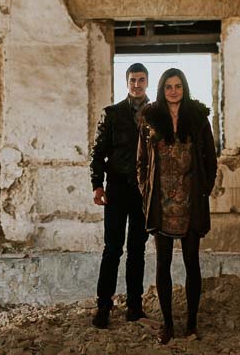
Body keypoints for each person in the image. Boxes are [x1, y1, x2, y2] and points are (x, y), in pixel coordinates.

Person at [137, 68, 217, 344]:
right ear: (162, 89)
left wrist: (202, 191)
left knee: (192, 262)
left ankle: (192, 323)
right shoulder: (150, 119)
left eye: (178, 85)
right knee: (163, 264)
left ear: (184, 88)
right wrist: (147, 191)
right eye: (168, 86)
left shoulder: (198, 117)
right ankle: (168, 324)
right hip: (161, 204)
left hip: (191, 202)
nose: (173, 90)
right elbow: (141, 163)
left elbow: (210, 158)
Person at [89, 63, 151, 328]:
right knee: (112, 249)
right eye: (132, 80)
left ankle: (134, 306)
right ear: (126, 83)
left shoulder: (156, 113)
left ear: (147, 82)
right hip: (116, 189)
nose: (136, 84)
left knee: (137, 250)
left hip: (144, 193)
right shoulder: (112, 114)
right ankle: (104, 306)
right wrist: (97, 184)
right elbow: (98, 152)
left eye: (141, 80)